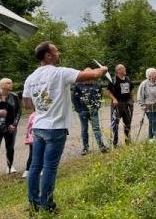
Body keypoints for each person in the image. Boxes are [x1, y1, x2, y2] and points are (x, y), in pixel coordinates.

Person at [22, 41, 108, 214]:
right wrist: (103, 70)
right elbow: (91, 75)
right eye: (56, 51)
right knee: (49, 168)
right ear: (48, 55)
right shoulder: (60, 73)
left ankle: (33, 204)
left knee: (35, 167)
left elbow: (27, 103)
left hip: (38, 127)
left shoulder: (30, 78)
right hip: (55, 127)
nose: (59, 53)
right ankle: (47, 206)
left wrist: (42, 109)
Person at [72, 68, 109, 154]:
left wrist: (97, 107)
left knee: (96, 129)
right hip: (83, 111)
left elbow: (100, 96)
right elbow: (74, 98)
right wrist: (79, 110)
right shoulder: (78, 85)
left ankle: (101, 146)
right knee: (84, 130)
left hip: (94, 111)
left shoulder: (97, 85)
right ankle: (85, 148)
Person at [107, 64, 134, 148]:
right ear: (118, 71)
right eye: (123, 69)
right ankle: (114, 144)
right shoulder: (113, 80)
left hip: (127, 104)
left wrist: (131, 99)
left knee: (128, 123)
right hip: (117, 104)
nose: (125, 70)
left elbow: (131, 90)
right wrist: (114, 99)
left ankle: (128, 141)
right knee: (115, 124)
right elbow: (108, 92)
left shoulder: (128, 79)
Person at [0, 77, 21, 174]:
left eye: (11, 82)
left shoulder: (14, 96)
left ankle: (10, 166)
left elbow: (18, 112)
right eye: (8, 83)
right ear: (2, 85)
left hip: (10, 126)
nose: (11, 84)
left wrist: (14, 124)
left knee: (10, 147)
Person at [137, 68, 156, 141]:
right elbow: (140, 95)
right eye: (155, 73)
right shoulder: (144, 84)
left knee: (155, 121)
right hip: (148, 106)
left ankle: (155, 137)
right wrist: (142, 105)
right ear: (150, 75)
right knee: (153, 121)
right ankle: (152, 137)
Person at [22, 110, 36, 178]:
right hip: (34, 137)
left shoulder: (32, 115)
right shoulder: (34, 115)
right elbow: (29, 127)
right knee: (32, 154)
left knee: (32, 154)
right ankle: (27, 170)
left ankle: (27, 171)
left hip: (32, 137)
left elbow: (28, 128)